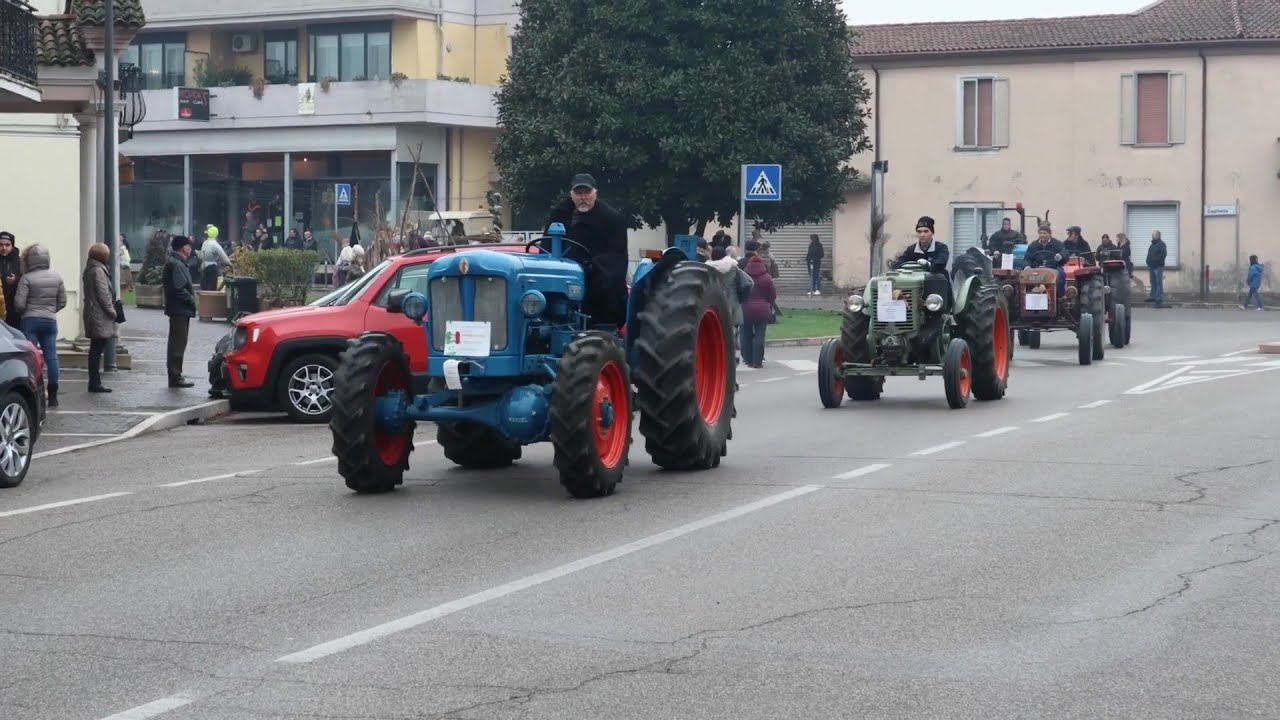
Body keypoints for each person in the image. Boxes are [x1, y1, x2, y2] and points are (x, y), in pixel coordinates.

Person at [546, 173, 630, 328]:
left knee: (607, 285)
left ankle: (603, 327)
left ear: (595, 193)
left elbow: (616, 254)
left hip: (597, 270)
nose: (583, 197)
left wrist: (591, 266)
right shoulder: (559, 214)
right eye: (579, 193)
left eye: (587, 193)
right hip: (564, 270)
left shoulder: (611, 218)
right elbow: (546, 246)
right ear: (572, 195)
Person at [14, 244, 66, 407]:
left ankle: (35, 392)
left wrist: (25, 312)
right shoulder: (57, 277)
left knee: (31, 357)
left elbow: (19, 304)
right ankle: (53, 395)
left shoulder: (26, 278)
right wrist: (50, 310)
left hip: (30, 321)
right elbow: (62, 301)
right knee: (52, 357)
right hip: (50, 321)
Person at [706, 245, 753, 365]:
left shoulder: (707, 269)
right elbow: (747, 282)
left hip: (714, 303)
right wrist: (741, 298)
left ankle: (716, 358)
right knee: (732, 332)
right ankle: (731, 358)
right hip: (732, 301)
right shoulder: (733, 267)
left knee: (714, 332)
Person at [82, 243, 118, 393]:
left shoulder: (91, 268)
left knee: (95, 349)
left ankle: (94, 381)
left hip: (94, 312)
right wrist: (112, 312)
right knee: (96, 350)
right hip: (99, 315)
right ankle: (95, 382)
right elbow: (103, 295)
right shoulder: (98, 271)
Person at [163, 235, 197, 388]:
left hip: (178, 308)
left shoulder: (176, 262)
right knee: (178, 343)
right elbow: (179, 288)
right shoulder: (177, 264)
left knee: (177, 342)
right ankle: (175, 376)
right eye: (189, 246)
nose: (191, 249)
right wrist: (191, 300)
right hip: (180, 309)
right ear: (184, 247)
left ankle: (176, 375)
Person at [740, 253, 777, 368]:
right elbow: (772, 295)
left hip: (745, 309)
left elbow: (739, 291)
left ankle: (747, 359)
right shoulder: (767, 278)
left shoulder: (743, 276)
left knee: (746, 334)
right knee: (760, 335)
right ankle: (757, 361)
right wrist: (769, 304)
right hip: (762, 309)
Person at [1025, 223, 1067, 297]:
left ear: (1049, 234)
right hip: (1036, 268)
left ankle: (1060, 296)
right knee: (1024, 276)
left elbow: (1064, 253)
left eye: (1044, 233)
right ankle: (1027, 297)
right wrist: (1027, 266)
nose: (1042, 235)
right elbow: (1027, 258)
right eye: (1040, 233)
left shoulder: (1057, 244)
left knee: (1061, 274)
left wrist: (1061, 256)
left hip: (1053, 267)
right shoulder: (1033, 245)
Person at [0, 231, 21, 327]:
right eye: (0, 245)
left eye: (7, 245)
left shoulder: (19, 261)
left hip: (14, 307)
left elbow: (27, 279)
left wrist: (16, 279)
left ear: (12, 245)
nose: (4, 248)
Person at [199, 227, 230, 291]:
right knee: (211, 288)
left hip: (203, 266)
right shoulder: (215, 244)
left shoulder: (205, 243)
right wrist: (229, 263)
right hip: (212, 268)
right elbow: (223, 256)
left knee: (204, 287)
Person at [1145, 230, 1167, 306]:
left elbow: (1163, 254)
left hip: (1158, 266)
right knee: (1153, 282)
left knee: (1158, 282)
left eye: (1154, 235)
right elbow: (1149, 254)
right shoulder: (1152, 245)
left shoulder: (1162, 244)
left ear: (1158, 236)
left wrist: (1155, 261)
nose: (1152, 236)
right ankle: (1153, 296)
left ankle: (1159, 298)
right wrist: (1148, 261)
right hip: (1151, 266)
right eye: (1152, 235)